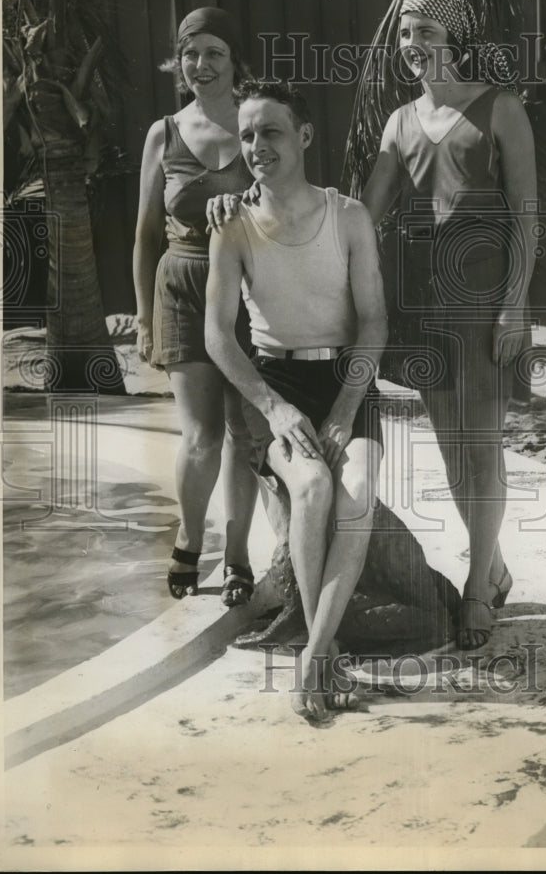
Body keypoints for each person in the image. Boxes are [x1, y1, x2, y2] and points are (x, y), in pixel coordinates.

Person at [359, 0, 538, 650]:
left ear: (454, 39)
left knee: (482, 449)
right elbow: (364, 214)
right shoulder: (400, 123)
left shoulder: (501, 109)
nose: (412, 47)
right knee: (453, 454)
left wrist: (516, 305)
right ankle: (493, 564)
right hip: (425, 307)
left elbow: (527, 218)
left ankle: (475, 589)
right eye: (405, 35)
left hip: (487, 303)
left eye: (425, 35)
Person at [204, 80, 387, 723]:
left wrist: (343, 408)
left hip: (346, 380)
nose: (257, 146)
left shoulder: (349, 216)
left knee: (357, 487)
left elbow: (374, 324)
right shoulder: (233, 226)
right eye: (247, 135)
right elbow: (217, 336)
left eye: (271, 131)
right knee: (310, 485)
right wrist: (277, 411)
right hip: (277, 385)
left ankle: (313, 652)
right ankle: (323, 646)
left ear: (304, 136)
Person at [133, 7, 260, 607]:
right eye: (190, 54)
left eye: (214, 52)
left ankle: (237, 555)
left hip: (249, 289)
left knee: (246, 434)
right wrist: (140, 317)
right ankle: (190, 535)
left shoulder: (257, 122)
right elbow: (143, 234)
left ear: (235, 60)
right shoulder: (163, 132)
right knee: (202, 434)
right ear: (177, 62)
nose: (201, 65)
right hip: (182, 284)